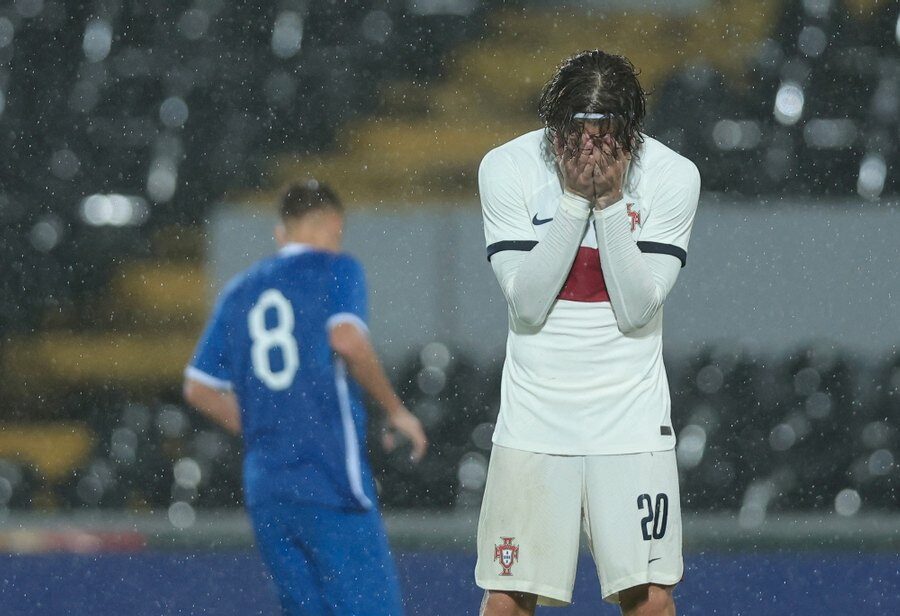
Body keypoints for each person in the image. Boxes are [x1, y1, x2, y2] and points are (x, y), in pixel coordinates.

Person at [474, 50, 701, 616]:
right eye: (575, 135)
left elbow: (635, 309)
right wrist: (578, 201)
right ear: (553, 128)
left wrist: (612, 201)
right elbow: (526, 304)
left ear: (633, 133)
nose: (590, 150)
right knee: (507, 595)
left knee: (649, 595)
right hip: (534, 418)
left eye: (608, 135)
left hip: (630, 420)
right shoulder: (506, 167)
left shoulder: (674, 176)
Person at [183, 180, 428, 616]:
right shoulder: (336, 268)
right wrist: (396, 410)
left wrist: (264, 426)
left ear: (282, 233)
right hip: (328, 478)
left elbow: (198, 387)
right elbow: (348, 340)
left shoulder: (238, 291)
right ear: (334, 225)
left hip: (268, 490)